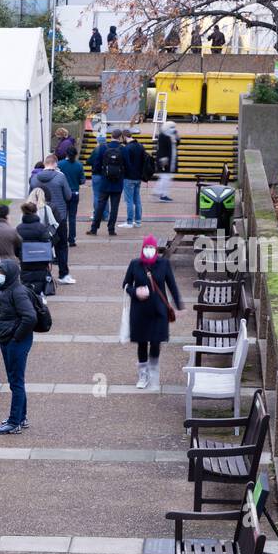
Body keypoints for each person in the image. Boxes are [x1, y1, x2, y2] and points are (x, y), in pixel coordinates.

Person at [123, 234, 183, 391]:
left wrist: (179, 305)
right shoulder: (135, 264)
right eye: (146, 248)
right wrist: (135, 291)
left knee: (156, 341)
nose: (149, 250)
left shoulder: (163, 264)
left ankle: (153, 370)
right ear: (142, 249)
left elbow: (172, 285)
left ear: (155, 249)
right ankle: (143, 374)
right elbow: (126, 284)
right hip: (140, 311)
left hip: (159, 311)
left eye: (151, 247)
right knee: (142, 343)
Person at [0, 260, 38, 435]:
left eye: (2, 273)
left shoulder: (17, 292)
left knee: (16, 382)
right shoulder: (6, 289)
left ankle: (14, 421)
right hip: (8, 339)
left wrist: (16, 337)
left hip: (15, 341)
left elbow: (30, 317)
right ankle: (21, 416)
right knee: (15, 380)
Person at [29, 153, 75, 285]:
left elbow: (31, 196)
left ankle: (41, 274)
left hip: (40, 216)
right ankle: (64, 274)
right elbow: (68, 195)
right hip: (58, 215)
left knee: (40, 246)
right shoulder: (60, 177)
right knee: (61, 246)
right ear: (55, 164)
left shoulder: (34, 178)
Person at [88, 128, 126, 236]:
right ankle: (111, 229)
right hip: (118, 182)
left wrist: (103, 173)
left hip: (105, 181)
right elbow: (127, 165)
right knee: (114, 207)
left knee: (100, 205)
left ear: (111, 136)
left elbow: (97, 163)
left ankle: (94, 228)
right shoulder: (123, 149)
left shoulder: (103, 147)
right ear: (120, 137)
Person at [16, 200, 54, 296]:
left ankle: (28, 295)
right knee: (40, 277)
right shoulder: (41, 227)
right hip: (40, 258)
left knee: (26, 278)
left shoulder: (19, 228)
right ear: (36, 212)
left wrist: (19, 255)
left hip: (25, 258)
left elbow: (16, 245)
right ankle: (40, 295)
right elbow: (47, 242)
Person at [57, 145, 85, 247]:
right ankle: (72, 239)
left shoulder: (60, 164)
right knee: (72, 218)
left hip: (63, 193)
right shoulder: (79, 165)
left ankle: (62, 237)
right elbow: (82, 180)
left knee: (62, 217)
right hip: (74, 193)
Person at [121, 129, 147, 229]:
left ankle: (129, 221)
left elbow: (125, 163)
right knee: (137, 199)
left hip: (128, 177)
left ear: (124, 137)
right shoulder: (140, 146)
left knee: (129, 201)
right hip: (138, 177)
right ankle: (138, 221)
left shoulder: (127, 148)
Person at [155, 121, 179, 202]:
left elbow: (178, 143)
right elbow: (161, 149)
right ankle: (160, 193)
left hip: (171, 159)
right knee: (165, 176)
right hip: (165, 159)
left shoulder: (172, 135)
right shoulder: (162, 135)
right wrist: (163, 158)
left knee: (166, 177)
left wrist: (176, 136)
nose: (173, 129)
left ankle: (160, 192)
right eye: (171, 127)